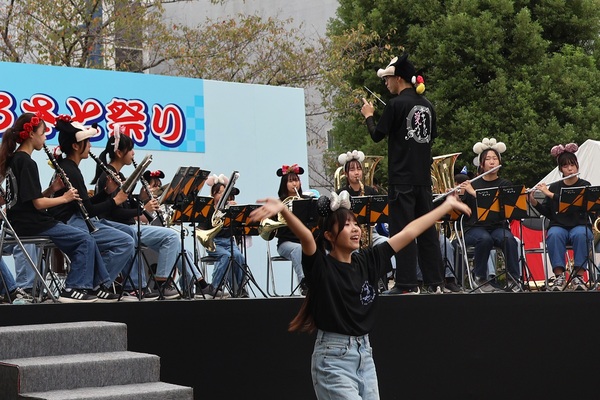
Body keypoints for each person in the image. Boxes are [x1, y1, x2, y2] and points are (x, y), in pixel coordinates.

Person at [248, 190, 470, 400]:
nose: (355, 229)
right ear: (329, 235)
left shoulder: (368, 260)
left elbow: (409, 231)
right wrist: (284, 211)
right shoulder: (322, 267)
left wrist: (446, 205)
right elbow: (306, 237)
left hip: (364, 355)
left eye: (356, 224)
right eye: (346, 225)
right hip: (332, 359)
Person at [90, 128, 220, 299]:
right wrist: (143, 209)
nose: (133, 153)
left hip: (126, 225)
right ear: (119, 152)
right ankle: (161, 285)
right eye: (131, 149)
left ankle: (201, 285)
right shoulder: (109, 176)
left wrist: (141, 200)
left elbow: (123, 205)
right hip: (120, 228)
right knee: (171, 238)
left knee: (178, 244)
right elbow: (114, 211)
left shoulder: (117, 174)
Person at [0, 112, 116, 303]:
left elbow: (27, 199)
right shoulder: (27, 162)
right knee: (85, 240)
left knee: (85, 239)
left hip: (21, 222)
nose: (45, 138)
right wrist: (65, 197)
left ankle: (97, 286)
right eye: (43, 133)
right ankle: (74, 288)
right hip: (31, 223)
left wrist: (52, 189)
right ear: (31, 134)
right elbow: (37, 204)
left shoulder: (15, 159)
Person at [360, 53, 444, 294]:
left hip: (402, 180)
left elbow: (377, 135)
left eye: (387, 79)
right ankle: (435, 282)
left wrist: (368, 116)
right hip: (423, 180)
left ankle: (407, 284)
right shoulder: (427, 105)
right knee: (427, 230)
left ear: (398, 78)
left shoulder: (396, 104)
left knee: (404, 231)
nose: (385, 83)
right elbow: (429, 140)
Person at [48, 115, 157, 301]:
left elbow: (84, 204)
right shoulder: (70, 170)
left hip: (78, 218)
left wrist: (106, 193)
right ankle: (96, 283)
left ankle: (111, 284)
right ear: (76, 146)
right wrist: (115, 200)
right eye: (87, 141)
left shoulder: (71, 167)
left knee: (128, 237)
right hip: (71, 222)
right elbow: (88, 210)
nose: (90, 146)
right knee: (124, 242)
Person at [458, 138, 521, 292]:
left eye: (495, 159)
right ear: (481, 164)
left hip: (497, 226)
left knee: (509, 239)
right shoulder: (472, 183)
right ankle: (479, 277)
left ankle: (514, 278)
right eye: (488, 159)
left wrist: (474, 194)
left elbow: (507, 210)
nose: (492, 162)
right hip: (474, 228)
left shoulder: (505, 184)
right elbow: (461, 210)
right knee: (484, 239)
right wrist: (458, 195)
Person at [528, 143, 592, 291]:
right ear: (560, 169)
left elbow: (578, 205)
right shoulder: (555, 186)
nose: (570, 169)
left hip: (580, 224)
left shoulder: (584, 185)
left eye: (572, 165)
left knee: (581, 235)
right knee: (554, 235)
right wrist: (533, 201)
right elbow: (548, 213)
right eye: (565, 166)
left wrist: (550, 194)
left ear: (577, 166)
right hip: (559, 226)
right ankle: (559, 277)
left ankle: (578, 277)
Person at [200, 174, 247, 297]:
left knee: (238, 256)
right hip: (214, 242)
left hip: (229, 241)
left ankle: (240, 288)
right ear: (213, 194)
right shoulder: (208, 209)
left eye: (224, 193)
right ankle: (215, 287)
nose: (222, 195)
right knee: (226, 256)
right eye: (219, 193)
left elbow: (237, 227)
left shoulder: (229, 208)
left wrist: (235, 212)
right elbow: (201, 229)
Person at [274, 163, 309, 294]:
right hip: (285, 243)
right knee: (298, 249)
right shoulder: (279, 203)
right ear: (284, 184)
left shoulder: (306, 201)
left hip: (304, 241)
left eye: (296, 180)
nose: (294, 184)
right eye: (290, 181)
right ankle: (304, 284)